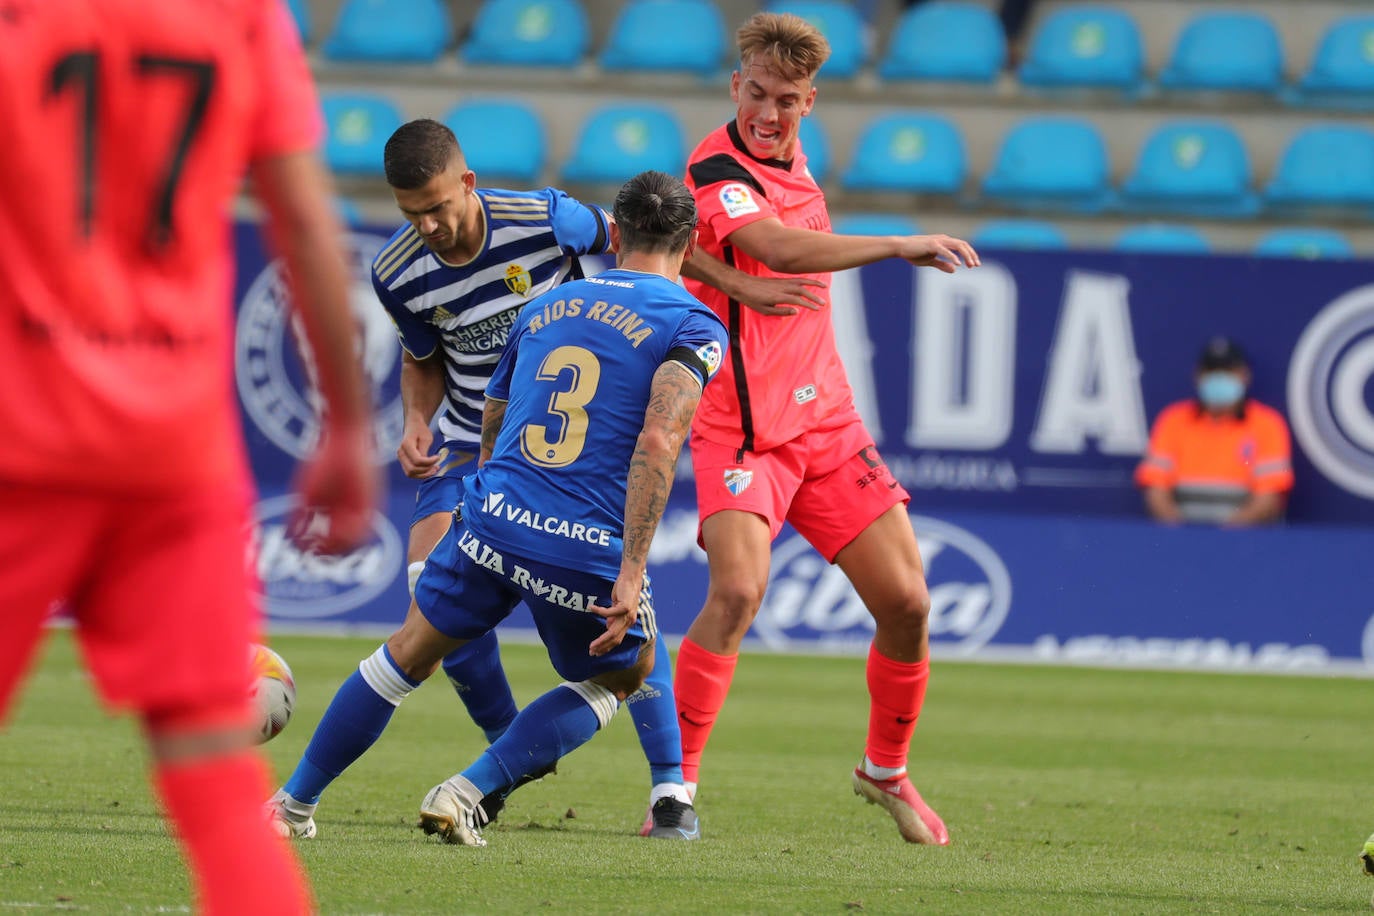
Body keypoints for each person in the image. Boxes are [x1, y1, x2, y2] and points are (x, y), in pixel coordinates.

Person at [266, 119, 817, 840]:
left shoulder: (543, 304)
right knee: (624, 669)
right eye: (413, 213)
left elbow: (497, 402)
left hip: (494, 502)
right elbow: (657, 439)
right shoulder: (693, 326)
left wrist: (491, 489)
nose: (427, 225)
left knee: (401, 654)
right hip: (583, 531)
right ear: (686, 249)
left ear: (612, 238)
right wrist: (631, 566)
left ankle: (291, 805)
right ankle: (481, 786)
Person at [0, 2, 378, 914]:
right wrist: (345, 426)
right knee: (215, 776)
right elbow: (300, 218)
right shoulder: (242, 14)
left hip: (21, 430)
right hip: (173, 447)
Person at [670, 11, 981, 846]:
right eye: (757, 93)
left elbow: (703, 244)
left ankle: (885, 771)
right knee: (735, 592)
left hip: (826, 424)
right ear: (736, 85)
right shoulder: (717, 162)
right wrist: (895, 245)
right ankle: (676, 789)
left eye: (787, 100)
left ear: (811, 102)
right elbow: (775, 244)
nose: (769, 113)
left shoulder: (796, 161)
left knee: (910, 604)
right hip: (739, 429)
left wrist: (714, 269)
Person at [1136, 337, 1294, 526]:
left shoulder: (1268, 424)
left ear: (1245, 375)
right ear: (1197, 376)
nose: (1219, 377)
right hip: (1183, 539)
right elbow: (1156, 490)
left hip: (1244, 542)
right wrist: (1180, 535)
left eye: (1228, 371)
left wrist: (1221, 540)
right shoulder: (1173, 420)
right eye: (1212, 370)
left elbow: (1269, 499)